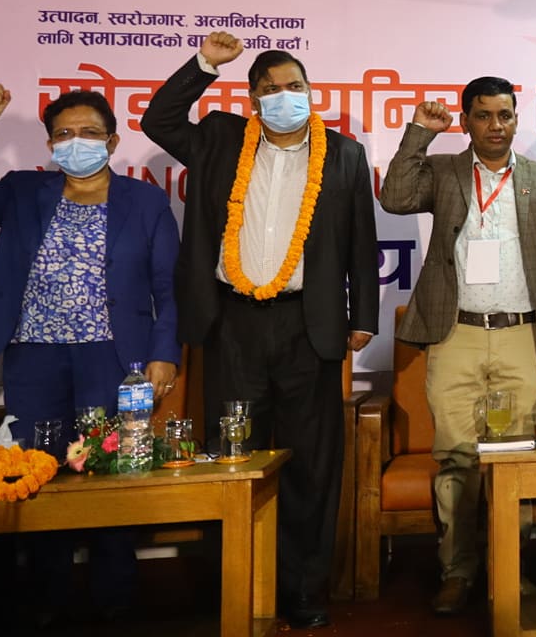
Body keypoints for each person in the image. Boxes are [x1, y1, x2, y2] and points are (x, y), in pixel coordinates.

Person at [140, 32, 379, 629]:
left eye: (293, 86)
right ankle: (237, 582)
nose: (283, 96)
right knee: (233, 456)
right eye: (269, 89)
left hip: (309, 324)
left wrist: (364, 316)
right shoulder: (219, 139)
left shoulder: (345, 154)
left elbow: (361, 239)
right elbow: (158, 120)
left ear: (310, 92)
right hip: (232, 322)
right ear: (252, 100)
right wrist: (205, 64)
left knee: (311, 464)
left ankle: (304, 589)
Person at [0, 85, 179, 624]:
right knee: (40, 471)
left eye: (90, 133)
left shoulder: (144, 202)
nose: (77, 142)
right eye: (65, 134)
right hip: (34, 357)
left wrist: (165, 352)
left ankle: (115, 596)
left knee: (110, 472)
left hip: (113, 358)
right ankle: (48, 597)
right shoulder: (24, 191)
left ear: (112, 141)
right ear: (50, 145)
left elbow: (168, 285)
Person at [379, 77, 536, 615]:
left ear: (516, 119)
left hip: (522, 335)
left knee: (514, 459)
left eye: (505, 115)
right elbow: (394, 197)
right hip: (456, 334)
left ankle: (508, 571)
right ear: (466, 121)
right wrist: (420, 132)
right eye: (484, 115)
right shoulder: (444, 171)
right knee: (456, 458)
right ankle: (457, 571)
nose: (496, 126)